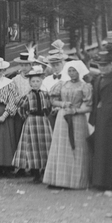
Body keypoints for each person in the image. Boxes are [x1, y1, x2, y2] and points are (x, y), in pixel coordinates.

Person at [44, 60, 93, 190]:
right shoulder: (62, 84)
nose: (72, 73)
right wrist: (63, 104)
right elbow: (52, 100)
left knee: (76, 147)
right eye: (70, 71)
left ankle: (75, 181)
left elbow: (88, 105)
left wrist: (76, 110)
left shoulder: (85, 86)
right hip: (62, 118)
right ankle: (58, 180)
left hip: (77, 119)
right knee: (61, 147)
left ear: (80, 71)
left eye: (74, 71)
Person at [88, 47, 112, 191]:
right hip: (100, 119)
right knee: (99, 150)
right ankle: (99, 181)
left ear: (111, 65)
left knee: (109, 150)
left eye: (106, 65)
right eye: (100, 65)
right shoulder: (97, 79)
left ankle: (110, 182)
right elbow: (95, 99)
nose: (103, 68)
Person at [12, 66, 54, 182]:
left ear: (41, 82)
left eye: (37, 81)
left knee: (44, 145)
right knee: (33, 146)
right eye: (33, 82)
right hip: (31, 122)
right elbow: (20, 108)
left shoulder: (45, 94)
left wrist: (46, 115)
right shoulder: (27, 96)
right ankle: (35, 173)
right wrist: (27, 117)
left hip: (43, 122)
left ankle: (44, 170)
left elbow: (49, 107)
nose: (35, 84)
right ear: (30, 83)